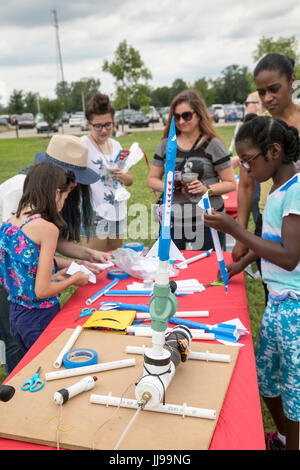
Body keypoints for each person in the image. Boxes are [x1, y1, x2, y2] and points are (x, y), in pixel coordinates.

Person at [204, 115, 300, 450]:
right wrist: (238, 265)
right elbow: (268, 242)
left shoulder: (297, 191)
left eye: (248, 161)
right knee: (265, 378)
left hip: (295, 310)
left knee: (294, 391)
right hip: (277, 302)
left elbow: (288, 255)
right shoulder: (275, 190)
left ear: (274, 151)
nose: (245, 168)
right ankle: (286, 436)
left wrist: (235, 231)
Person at [0, 134, 111, 375]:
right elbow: (39, 286)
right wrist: (73, 278)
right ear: (55, 187)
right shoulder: (21, 199)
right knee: (38, 365)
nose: (73, 191)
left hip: (17, 306)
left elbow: (26, 254)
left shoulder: (19, 214)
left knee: (30, 363)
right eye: (69, 189)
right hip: (35, 312)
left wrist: (77, 259)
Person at [0, 162, 90, 354]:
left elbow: (23, 273)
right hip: (39, 316)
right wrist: (75, 278)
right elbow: (42, 291)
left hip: (16, 314)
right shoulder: (47, 229)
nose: (64, 203)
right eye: (65, 197)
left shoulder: (11, 221)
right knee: (49, 367)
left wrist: (55, 276)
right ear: (57, 193)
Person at [232, 54, 300, 302]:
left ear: (292, 81)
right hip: (268, 220)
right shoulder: (258, 130)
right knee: (274, 288)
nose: (267, 98)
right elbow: (246, 185)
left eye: (274, 89)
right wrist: (241, 234)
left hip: (296, 219)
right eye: (261, 93)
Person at [147, 89, 236, 250]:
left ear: (199, 114)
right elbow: (152, 179)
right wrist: (170, 187)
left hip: (208, 219)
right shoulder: (167, 144)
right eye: (177, 116)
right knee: (171, 268)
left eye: (186, 115)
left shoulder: (213, 145)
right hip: (174, 219)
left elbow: (230, 183)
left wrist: (205, 189)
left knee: (208, 270)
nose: (181, 121)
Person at [80, 93, 134, 252]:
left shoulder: (116, 145)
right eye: (98, 125)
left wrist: (122, 177)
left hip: (117, 211)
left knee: (115, 260)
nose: (104, 130)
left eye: (108, 124)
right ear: (88, 124)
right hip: (94, 211)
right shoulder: (82, 145)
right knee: (96, 261)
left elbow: (130, 179)